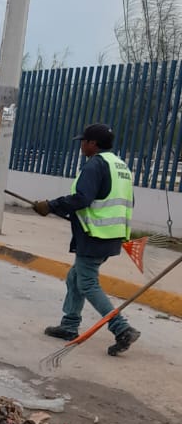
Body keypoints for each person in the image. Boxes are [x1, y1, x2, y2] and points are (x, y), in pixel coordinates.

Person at [33, 122, 139, 356]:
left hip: (95, 234)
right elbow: (125, 200)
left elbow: (83, 198)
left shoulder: (95, 165)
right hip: (112, 234)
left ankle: (121, 328)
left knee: (87, 283)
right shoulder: (120, 165)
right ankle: (69, 325)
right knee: (75, 277)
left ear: (93, 143)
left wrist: (51, 206)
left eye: (84, 141)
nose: (81, 145)